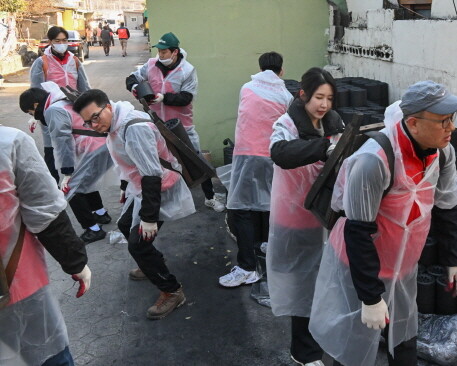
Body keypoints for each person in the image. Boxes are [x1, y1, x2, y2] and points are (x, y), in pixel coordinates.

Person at [308, 81, 457, 366]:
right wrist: (370, 298)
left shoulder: (443, 153)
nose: (451, 128)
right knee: (353, 347)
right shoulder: (374, 160)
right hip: (357, 267)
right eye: (443, 120)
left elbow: (446, 207)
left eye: (452, 119)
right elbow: (357, 233)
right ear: (413, 123)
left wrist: (453, 258)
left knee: (404, 339)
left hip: (402, 267)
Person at [73, 89, 196, 320]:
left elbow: (152, 175)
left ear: (108, 106)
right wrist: (125, 186)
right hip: (141, 187)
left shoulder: (135, 128)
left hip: (159, 187)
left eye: (95, 117)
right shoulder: (115, 124)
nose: (93, 125)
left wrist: (149, 218)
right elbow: (128, 161)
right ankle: (152, 262)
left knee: (138, 244)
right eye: (88, 122)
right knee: (125, 225)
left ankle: (172, 291)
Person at [267, 67, 343, 366]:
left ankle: (327, 336)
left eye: (329, 98)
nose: (323, 105)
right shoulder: (286, 124)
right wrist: (324, 147)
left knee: (328, 283)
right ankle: (304, 353)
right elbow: (281, 153)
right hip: (296, 218)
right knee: (302, 286)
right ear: (303, 95)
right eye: (318, 97)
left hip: (328, 216)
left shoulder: (335, 124)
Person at [0, 125, 91, 366]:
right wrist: (75, 262)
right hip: (17, 284)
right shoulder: (8, 143)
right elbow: (44, 210)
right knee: (48, 354)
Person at [125, 32, 224, 212]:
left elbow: (186, 98)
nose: (160, 55)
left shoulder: (188, 70)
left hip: (181, 126)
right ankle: (159, 202)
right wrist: (135, 88)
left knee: (196, 161)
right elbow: (132, 78)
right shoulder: (151, 65)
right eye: (159, 51)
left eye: (164, 52)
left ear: (175, 52)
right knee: (155, 163)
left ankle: (210, 197)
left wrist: (163, 98)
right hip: (154, 124)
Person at [218, 52, 293, 287]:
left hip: (247, 155)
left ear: (260, 69)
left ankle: (248, 267)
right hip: (273, 155)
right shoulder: (286, 95)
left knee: (242, 208)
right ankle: (267, 245)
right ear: (281, 71)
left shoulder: (246, 88)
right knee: (270, 202)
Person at [19, 83, 113, 244]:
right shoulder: (61, 99)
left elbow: (63, 142)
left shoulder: (53, 110)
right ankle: (100, 212)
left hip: (91, 148)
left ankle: (93, 229)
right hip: (99, 144)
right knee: (85, 182)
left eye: (32, 112)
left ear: (36, 105)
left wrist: (67, 173)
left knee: (71, 189)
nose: (34, 116)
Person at [29, 26, 91, 183]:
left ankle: (75, 183)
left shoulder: (74, 60)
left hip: (73, 111)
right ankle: (54, 186)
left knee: (74, 147)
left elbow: (84, 87)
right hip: (51, 113)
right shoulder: (41, 62)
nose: (62, 44)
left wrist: (90, 107)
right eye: (57, 41)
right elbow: (36, 90)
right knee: (51, 148)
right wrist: (35, 115)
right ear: (50, 42)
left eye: (64, 40)